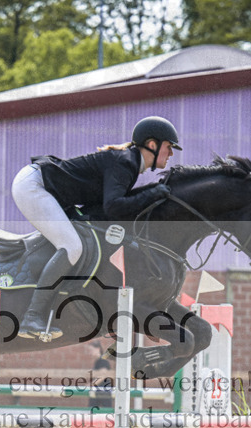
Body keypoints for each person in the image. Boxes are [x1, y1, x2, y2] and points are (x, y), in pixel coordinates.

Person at [11, 115, 182, 341]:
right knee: (72, 246)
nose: (171, 154)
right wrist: (152, 193)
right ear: (152, 144)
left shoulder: (128, 163)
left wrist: (150, 193)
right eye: (169, 147)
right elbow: (113, 207)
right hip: (34, 187)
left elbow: (103, 209)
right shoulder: (125, 162)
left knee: (90, 240)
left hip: (50, 190)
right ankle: (32, 316)